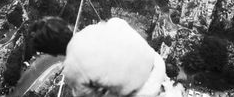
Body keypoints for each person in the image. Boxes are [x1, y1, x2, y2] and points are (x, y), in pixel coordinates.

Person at [29, 17, 167, 97]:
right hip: (157, 64)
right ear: (68, 27)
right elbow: (121, 26)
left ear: (52, 53)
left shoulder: (71, 69)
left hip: (145, 92)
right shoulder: (96, 27)